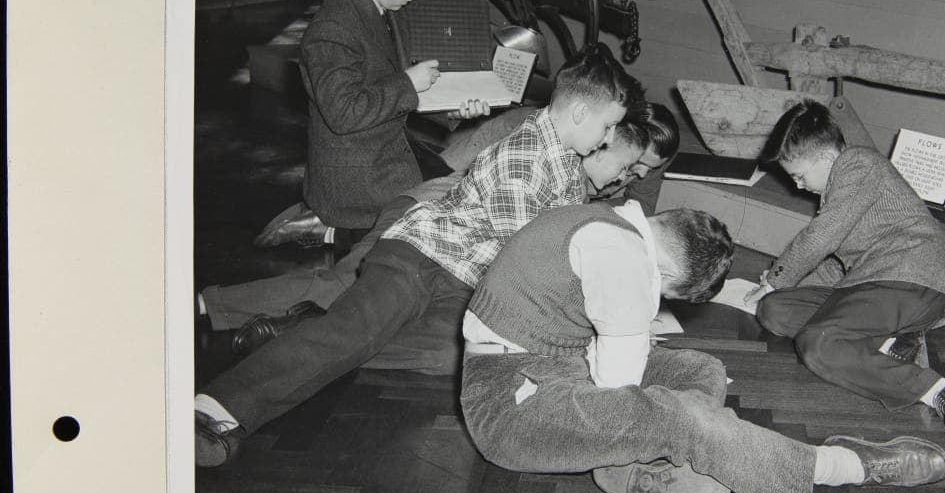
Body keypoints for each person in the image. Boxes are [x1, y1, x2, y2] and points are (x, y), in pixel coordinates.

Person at [194, 48, 640, 467]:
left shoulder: (565, 160)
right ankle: (219, 408)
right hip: (421, 255)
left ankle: (298, 330)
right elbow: (532, 259)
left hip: (464, 277)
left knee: (443, 356)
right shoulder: (524, 160)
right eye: (606, 129)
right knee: (356, 331)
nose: (606, 140)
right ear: (580, 113)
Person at [460, 201, 945, 493]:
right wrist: (683, 424)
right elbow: (619, 389)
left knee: (700, 370)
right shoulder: (621, 256)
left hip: (555, 365)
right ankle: (844, 464)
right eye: (664, 293)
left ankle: (628, 467)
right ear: (666, 269)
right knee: (675, 414)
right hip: (510, 405)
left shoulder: (609, 220)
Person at [204, 121, 654, 363]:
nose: (625, 181)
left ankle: (299, 332)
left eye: (637, 174)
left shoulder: (582, 182)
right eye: (627, 166)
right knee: (340, 290)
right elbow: (448, 167)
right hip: (424, 217)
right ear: (599, 140)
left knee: (415, 335)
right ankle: (209, 305)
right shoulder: (540, 141)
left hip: (454, 249)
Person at [743, 99, 945, 434]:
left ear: (826, 157)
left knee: (817, 344)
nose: (797, 186)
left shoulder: (858, 163)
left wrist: (777, 278)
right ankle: (891, 346)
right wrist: (781, 289)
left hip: (909, 282)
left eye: (798, 176)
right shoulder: (843, 184)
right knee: (774, 310)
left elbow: (822, 237)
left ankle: (942, 391)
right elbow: (837, 267)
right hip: (878, 285)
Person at [254, 0, 490, 249]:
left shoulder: (385, 8)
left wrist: (452, 111)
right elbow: (344, 113)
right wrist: (408, 83)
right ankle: (326, 227)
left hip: (386, 150)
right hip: (354, 176)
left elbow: (394, 87)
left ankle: (330, 230)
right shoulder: (332, 30)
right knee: (429, 235)